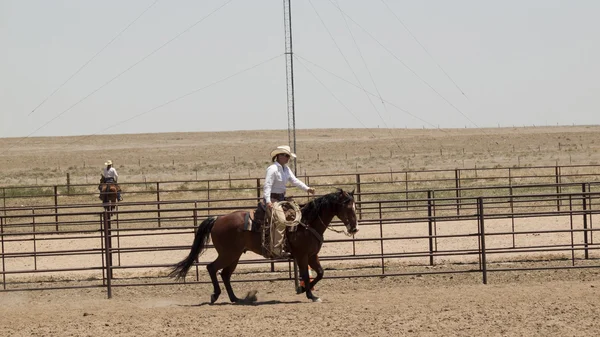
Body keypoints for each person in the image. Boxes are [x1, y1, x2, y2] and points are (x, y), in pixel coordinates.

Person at [254, 145, 315, 257]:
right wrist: (268, 201)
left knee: (297, 215)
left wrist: (307, 188)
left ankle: (290, 244)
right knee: (281, 221)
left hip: (282, 198)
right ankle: (275, 249)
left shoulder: (286, 169)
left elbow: (294, 180)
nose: (288, 158)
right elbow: (267, 186)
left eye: (288, 156)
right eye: (286, 155)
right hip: (273, 199)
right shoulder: (272, 169)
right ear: (279, 156)